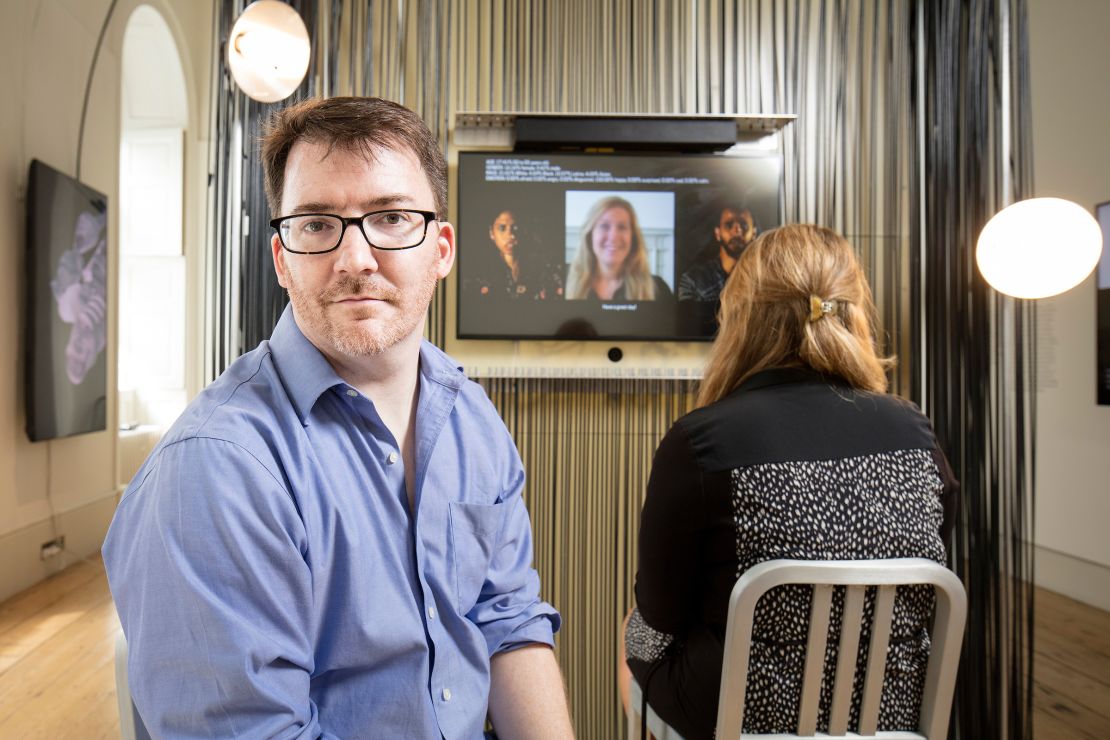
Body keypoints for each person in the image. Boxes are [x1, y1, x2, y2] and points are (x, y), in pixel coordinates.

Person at [103, 96, 574, 740]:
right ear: (281, 257)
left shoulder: (471, 416)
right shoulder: (216, 469)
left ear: (441, 249)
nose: (355, 259)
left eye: (391, 217)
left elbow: (508, 621)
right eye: (318, 224)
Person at [619, 224, 958, 739]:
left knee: (632, 628)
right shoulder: (914, 429)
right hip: (892, 713)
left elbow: (661, 613)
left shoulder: (701, 440)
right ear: (853, 312)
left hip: (743, 718)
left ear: (739, 319)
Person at [565, 196, 673, 301]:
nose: (613, 236)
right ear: (590, 235)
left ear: (633, 237)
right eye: (604, 226)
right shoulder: (564, 282)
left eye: (622, 227)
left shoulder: (658, 289)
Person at [465, 208, 564, 299]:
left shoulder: (546, 268)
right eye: (502, 228)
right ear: (491, 233)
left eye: (516, 228)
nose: (511, 235)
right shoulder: (478, 273)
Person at [676, 205, 758, 302]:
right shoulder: (694, 280)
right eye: (729, 224)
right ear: (717, 233)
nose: (737, 230)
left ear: (754, 233)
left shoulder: (764, 279)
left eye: (744, 225)